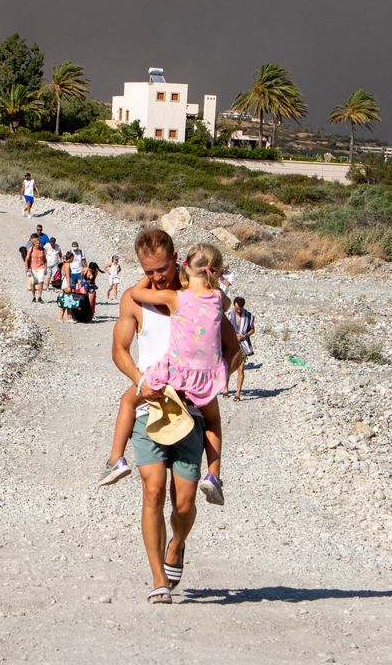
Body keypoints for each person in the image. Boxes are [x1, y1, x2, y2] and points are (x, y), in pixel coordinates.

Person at [103, 230, 242, 604]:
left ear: (176, 259)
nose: (158, 277)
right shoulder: (136, 301)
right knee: (152, 491)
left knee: (183, 504)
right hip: (152, 407)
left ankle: (177, 543)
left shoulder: (200, 297)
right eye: (149, 270)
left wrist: (216, 378)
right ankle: (157, 578)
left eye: (162, 269)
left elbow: (233, 348)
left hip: (192, 411)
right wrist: (139, 379)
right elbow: (119, 349)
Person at [225, 297, 256, 401]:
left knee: (240, 368)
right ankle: (226, 388)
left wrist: (245, 335)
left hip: (243, 344)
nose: (239, 310)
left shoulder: (249, 316)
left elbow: (252, 329)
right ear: (234, 305)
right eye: (237, 308)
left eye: (240, 308)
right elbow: (223, 328)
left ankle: (238, 393)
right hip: (230, 344)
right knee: (228, 368)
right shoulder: (228, 315)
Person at [23, 232, 48, 302]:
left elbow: (45, 260)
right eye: (37, 243)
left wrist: (45, 268)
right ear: (34, 244)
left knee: (41, 281)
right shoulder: (31, 249)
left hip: (41, 267)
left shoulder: (42, 250)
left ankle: (40, 297)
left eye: (39, 243)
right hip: (33, 268)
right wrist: (26, 268)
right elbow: (27, 259)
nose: (38, 245)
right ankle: (34, 297)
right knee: (33, 283)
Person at [56, 253, 74, 322]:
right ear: (71, 257)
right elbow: (68, 276)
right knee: (68, 300)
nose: (73, 259)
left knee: (66, 300)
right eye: (73, 257)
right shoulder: (67, 265)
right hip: (66, 283)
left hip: (64, 283)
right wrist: (69, 286)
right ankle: (65, 318)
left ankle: (65, 318)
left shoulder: (64, 264)